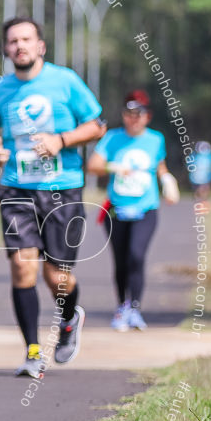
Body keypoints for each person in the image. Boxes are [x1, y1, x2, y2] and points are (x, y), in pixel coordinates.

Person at [0, 16, 106, 378]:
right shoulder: (0, 90)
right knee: (22, 267)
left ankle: (69, 319)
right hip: (16, 188)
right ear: (6, 49)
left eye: (26, 39)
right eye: (13, 41)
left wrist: (60, 140)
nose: (19, 46)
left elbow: (98, 124)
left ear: (40, 46)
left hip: (62, 188)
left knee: (57, 277)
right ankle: (32, 351)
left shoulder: (64, 81)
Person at [88, 90, 179, 331]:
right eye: (129, 114)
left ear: (147, 117)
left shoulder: (155, 139)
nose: (134, 119)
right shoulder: (112, 138)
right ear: (124, 116)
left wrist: (167, 180)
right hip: (117, 210)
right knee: (120, 261)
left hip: (146, 208)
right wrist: (113, 167)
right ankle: (122, 307)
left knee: (136, 256)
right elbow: (93, 166)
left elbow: (159, 166)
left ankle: (136, 308)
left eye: (139, 114)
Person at [188, 140, 211, 211]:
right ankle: (198, 203)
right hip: (195, 178)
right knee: (197, 191)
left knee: (204, 190)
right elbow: (189, 165)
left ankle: (203, 204)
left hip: (206, 177)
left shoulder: (209, 155)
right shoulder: (194, 155)